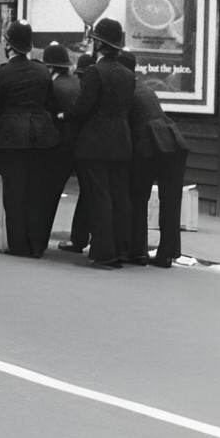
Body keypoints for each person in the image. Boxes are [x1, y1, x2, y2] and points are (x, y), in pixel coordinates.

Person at [61, 18, 135, 270]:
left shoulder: (95, 71)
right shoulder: (127, 74)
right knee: (117, 197)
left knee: (100, 198)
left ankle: (103, 252)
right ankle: (120, 249)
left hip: (95, 144)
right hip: (121, 142)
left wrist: (64, 115)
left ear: (99, 44)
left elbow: (83, 107)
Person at [0, 20, 59, 258]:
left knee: (14, 193)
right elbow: (49, 103)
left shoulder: (0, 75)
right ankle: (36, 245)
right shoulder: (42, 71)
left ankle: (19, 246)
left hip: (11, 139)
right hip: (41, 138)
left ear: (8, 44)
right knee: (36, 192)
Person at [120, 51, 190, 268]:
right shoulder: (144, 87)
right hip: (173, 142)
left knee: (137, 197)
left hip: (148, 146)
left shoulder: (125, 90)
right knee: (171, 201)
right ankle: (167, 254)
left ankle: (137, 251)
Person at [39, 42, 79, 247]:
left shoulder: (53, 86)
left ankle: (39, 239)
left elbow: (47, 117)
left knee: (48, 195)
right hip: (78, 147)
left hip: (57, 147)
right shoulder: (77, 82)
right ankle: (79, 239)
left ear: (51, 67)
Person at [57, 53, 96, 254]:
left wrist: (63, 116)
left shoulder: (87, 90)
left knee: (88, 194)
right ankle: (82, 239)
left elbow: (78, 112)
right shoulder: (88, 87)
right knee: (89, 194)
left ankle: (79, 239)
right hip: (88, 148)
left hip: (83, 148)